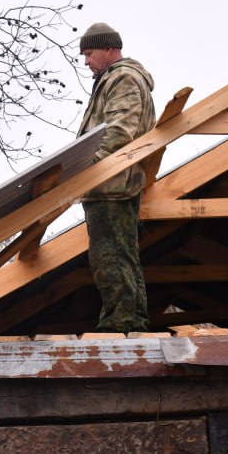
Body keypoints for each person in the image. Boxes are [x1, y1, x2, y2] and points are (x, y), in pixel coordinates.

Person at [76, 22, 156, 333]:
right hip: (110, 184)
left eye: (89, 53)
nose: (86, 61)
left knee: (109, 257)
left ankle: (120, 324)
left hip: (111, 184)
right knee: (120, 255)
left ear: (109, 49)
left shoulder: (122, 78)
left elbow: (120, 131)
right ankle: (131, 321)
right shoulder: (114, 78)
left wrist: (89, 167)